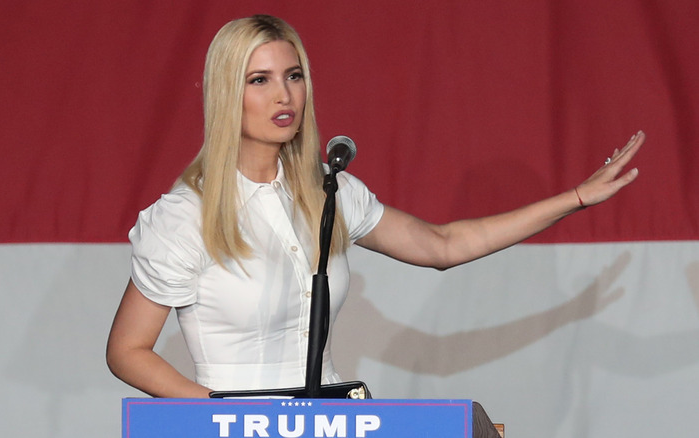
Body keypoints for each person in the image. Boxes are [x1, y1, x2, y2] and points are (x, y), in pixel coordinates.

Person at [106, 14, 643, 437]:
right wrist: (235, 419)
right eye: (260, 80)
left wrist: (574, 198)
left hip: (338, 421)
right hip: (230, 427)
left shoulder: (328, 188)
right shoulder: (184, 216)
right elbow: (127, 351)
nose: (284, 95)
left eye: (293, 76)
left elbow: (441, 245)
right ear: (228, 94)